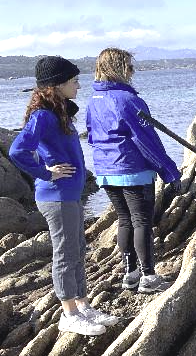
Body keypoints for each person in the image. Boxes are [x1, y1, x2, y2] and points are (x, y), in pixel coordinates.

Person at [9, 56, 118, 335]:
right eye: (73, 81)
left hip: (69, 195)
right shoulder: (43, 116)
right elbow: (17, 151)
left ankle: (83, 306)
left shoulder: (59, 113)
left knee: (78, 250)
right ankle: (69, 314)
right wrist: (46, 172)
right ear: (56, 85)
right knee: (66, 254)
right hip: (55, 196)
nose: (79, 85)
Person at [85, 48, 181, 293]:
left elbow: (91, 135)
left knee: (124, 220)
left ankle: (130, 274)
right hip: (132, 169)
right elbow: (146, 140)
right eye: (129, 66)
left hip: (106, 171)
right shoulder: (129, 101)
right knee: (141, 222)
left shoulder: (92, 101)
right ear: (117, 69)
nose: (132, 71)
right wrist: (169, 171)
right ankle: (148, 277)